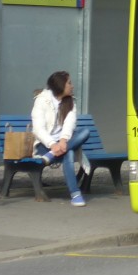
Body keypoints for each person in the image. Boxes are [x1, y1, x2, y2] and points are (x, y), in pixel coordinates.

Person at [31, 70, 91, 207]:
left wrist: (63, 141)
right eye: (69, 83)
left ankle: (52, 156)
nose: (72, 86)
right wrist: (53, 145)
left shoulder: (70, 102)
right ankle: (75, 194)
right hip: (44, 145)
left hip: (62, 143)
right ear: (60, 85)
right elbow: (38, 128)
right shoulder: (42, 100)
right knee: (68, 152)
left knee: (85, 132)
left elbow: (70, 123)